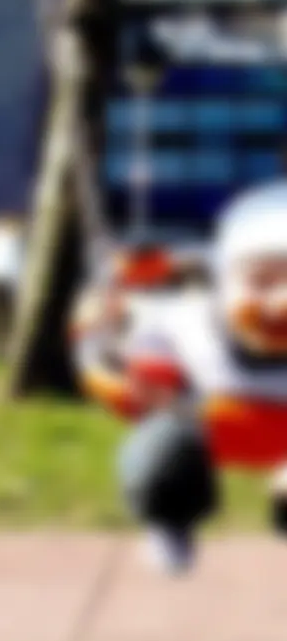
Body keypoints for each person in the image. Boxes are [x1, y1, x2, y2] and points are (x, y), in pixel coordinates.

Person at [75, 187, 287, 575]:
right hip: (211, 425)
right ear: (225, 284)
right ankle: (170, 524)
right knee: (159, 448)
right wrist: (105, 328)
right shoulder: (186, 325)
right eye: (262, 282)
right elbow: (126, 369)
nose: (282, 302)